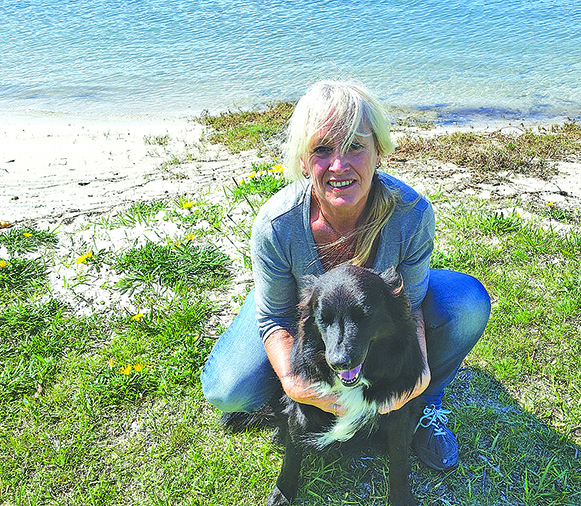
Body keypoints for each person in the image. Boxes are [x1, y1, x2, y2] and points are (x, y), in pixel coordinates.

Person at [201, 80, 490, 471]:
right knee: (228, 391)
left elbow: (413, 305)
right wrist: (296, 385)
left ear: (379, 152)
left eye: (355, 145)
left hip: (383, 306)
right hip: (290, 309)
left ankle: (426, 408)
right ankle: (314, 392)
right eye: (322, 149)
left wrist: (416, 379)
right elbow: (274, 318)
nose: (339, 165)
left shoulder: (412, 213)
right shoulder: (276, 224)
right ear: (304, 161)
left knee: (467, 303)